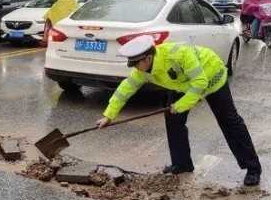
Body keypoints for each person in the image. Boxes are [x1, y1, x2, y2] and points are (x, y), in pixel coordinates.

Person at [97, 35, 262, 186]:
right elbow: (125, 89)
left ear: (148, 57)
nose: (135, 68)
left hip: (212, 78)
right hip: (183, 85)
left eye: (136, 64)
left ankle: (253, 168)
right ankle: (182, 164)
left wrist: (180, 106)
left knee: (230, 121)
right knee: (173, 120)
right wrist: (108, 115)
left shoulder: (179, 54)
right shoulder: (143, 69)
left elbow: (200, 84)